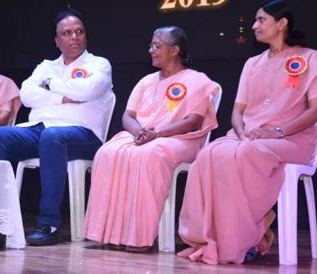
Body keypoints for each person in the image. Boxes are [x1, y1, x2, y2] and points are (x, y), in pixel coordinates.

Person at [178, 0, 317, 264]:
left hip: (293, 139)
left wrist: (279, 131)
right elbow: (238, 111)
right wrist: (241, 132)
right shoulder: (252, 64)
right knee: (208, 155)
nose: (254, 26)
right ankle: (228, 236)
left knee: (246, 153)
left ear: (282, 24)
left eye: (261, 20)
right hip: (250, 136)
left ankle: (247, 236)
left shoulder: (311, 58)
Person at [0, 9, 114, 246]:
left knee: (52, 137)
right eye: (67, 33)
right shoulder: (46, 65)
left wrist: (51, 85)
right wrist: (62, 97)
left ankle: (48, 224)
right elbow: (26, 94)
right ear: (57, 40)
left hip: (83, 134)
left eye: (79, 32)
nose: (74, 37)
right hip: (41, 129)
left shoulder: (99, 64)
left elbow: (90, 90)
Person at [84, 26, 219, 252]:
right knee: (106, 152)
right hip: (142, 136)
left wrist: (156, 134)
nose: (151, 50)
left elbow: (193, 121)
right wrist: (138, 132)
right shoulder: (146, 81)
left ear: (175, 50)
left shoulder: (197, 80)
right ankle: (109, 233)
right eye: (151, 45)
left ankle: (139, 237)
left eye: (157, 46)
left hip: (181, 139)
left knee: (150, 154)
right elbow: (128, 115)